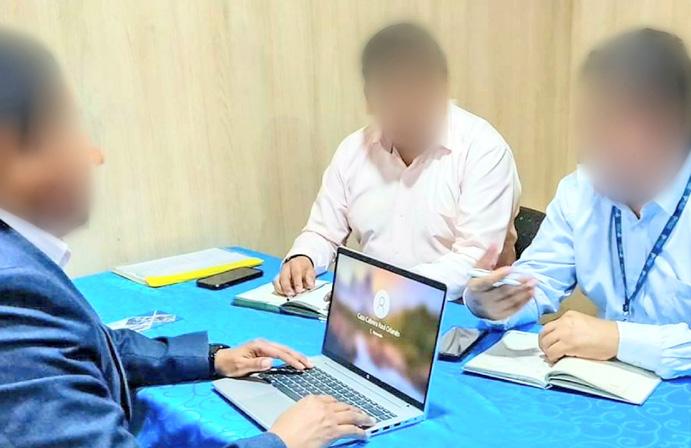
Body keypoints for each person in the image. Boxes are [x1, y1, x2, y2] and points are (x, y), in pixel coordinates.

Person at [0, 30, 374, 448]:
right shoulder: (13, 289)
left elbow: (90, 346)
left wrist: (213, 358)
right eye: (70, 130)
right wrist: (283, 441)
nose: (95, 155)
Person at [464, 28, 691, 379]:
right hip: (609, 386)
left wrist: (619, 339)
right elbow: (537, 281)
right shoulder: (580, 191)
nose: (588, 145)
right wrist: (492, 302)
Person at [275, 22, 521, 301]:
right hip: (374, 309)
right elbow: (323, 232)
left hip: (461, 308)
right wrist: (303, 257)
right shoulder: (353, 151)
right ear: (370, 98)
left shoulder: (483, 150)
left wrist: (386, 288)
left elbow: (475, 260)